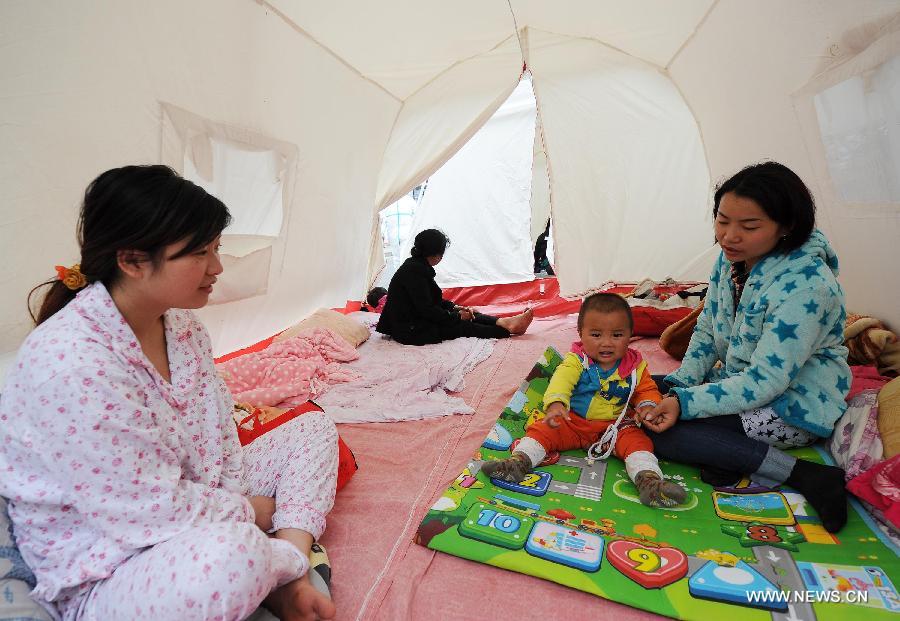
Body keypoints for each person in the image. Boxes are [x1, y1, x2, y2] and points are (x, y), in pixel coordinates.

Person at [0, 165, 338, 620]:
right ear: (133, 260)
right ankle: (283, 566)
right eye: (200, 253)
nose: (217, 267)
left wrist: (248, 509)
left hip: (192, 499)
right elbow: (145, 513)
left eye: (217, 248)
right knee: (231, 558)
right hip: (112, 563)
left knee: (312, 427)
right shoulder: (72, 364)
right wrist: (250, 514)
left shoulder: (183, 329)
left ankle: (287, 562)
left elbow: (222, 440)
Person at [641, 161, 851, 533]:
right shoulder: (732, 260)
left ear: (786, 226)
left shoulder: (808, 288)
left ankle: (807, 476)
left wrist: (686, 404)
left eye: (749, 226)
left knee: (667, 431)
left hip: (793, 403)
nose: (729, 236)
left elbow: (767, 382)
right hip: (739, 383)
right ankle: (728, 454)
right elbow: (707, 326)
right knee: (638, 392)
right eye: (722, 221)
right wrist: (681, 384)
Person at [482, 293, 686, 507]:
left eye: (617, 335)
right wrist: (557, 403)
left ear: (630, 335)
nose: (606, 343)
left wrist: (647, 406)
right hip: (573, 422)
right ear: (581, 334)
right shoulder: (577, 361)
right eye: (596, 335)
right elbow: (562, 380)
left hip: (615, 428)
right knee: (543, 429)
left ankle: (649, 482)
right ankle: (518, 462)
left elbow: (646, 389)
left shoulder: (636, 367)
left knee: (639, 443)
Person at [375, 229, 533, 345]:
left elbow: (430, 301)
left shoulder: (416, 267)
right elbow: (428, 310)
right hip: (410, 330)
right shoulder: (414, 272)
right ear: (437, 254)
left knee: (469, 314)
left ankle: (506, 322)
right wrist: (457, 316)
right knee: (462, 326)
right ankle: (507, 329)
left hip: (415, 321)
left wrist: (456, 307)